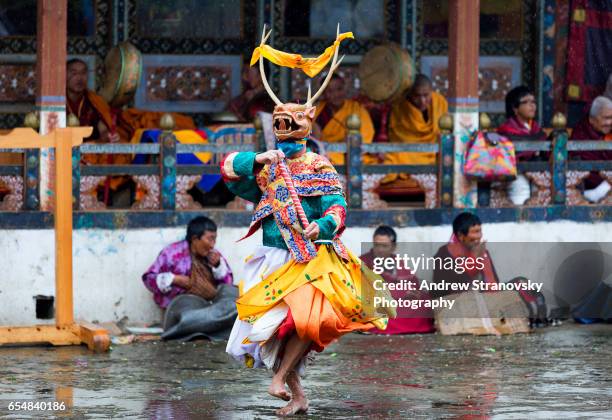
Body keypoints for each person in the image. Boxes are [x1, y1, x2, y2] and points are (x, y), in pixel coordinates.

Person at [224, 26, 392, 416]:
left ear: (306, 123)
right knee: (275, 332)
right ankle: (296, 392)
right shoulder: (269, 167)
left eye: (290, 121)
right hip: (273, 256)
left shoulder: (319, 165)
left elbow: (337, 207)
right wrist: (258, 160)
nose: (283, 127)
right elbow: (231, 176)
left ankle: (280, 380)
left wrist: (324, 227)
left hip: (312, 258)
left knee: (307, 321)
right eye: (279, 121)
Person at [142, 216, 233, 309]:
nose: (213, 244)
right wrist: (174, 279)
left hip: (210, 309)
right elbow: (148, 279)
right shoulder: (171, 254)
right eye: (210, 239)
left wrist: (217, 266)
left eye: (214, 239)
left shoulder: (214, 255)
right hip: (178, 311)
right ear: (195, 239)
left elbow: (227, 287)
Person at [360, 225, 435, 334]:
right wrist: (400, 292)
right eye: (377, 245)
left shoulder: (398, 262)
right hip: (377, 301)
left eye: (384, 246)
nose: (380, 250)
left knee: (424, 299)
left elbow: (414, 284)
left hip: (398, 300)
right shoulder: (363, 261)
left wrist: (409, 292)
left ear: (393, 247)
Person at [382, 74, 448, 185]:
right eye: (417, 96)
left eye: (426, 95)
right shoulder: (400, 106)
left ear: (432, 91)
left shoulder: (440, 103)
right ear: (409, 94)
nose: (422, 101)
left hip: (435, 152)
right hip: (409, 152)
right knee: (393, 158)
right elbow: (399, 138)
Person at [497, 86, 548, 205]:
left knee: (540, 194)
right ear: (515, 108)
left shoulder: (536, 129)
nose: (532, 106)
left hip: (536, 171)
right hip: (516, 172)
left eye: (533, 102)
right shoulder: (506, 130)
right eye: (526, 102)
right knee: (521, 191)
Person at [431, 212, 499, 299]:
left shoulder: (481, 251)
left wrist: (481, 258)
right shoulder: (443, 254)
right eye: (473, 233)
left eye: (479, 232)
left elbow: (494, 286)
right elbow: (445, 292)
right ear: (460, 235)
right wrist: (473, 259)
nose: (478, 239)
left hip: (482, 302)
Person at [312, 74, 376, 165]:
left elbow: (366, 135)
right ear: (323, 94)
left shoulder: (356, 108)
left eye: (339, 89)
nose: (336, 95)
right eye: (330, 91)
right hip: (328, 153)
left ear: (344, 89)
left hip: (352, 152)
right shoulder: (320, 111)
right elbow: (315, 141)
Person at [570, 96, 612, 202]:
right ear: (592, 120)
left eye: (611, 118)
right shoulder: (581, 134)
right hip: (591, 185)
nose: (609, 123)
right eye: (606, 118)